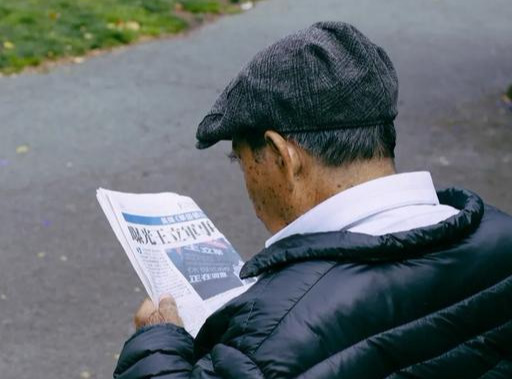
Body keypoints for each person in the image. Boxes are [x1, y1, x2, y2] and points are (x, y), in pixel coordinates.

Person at [113, 22, 512, 378]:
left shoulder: (269, 337)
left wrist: (157, 345)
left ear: (282, 155)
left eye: (241, 158)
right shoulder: (501, 239)